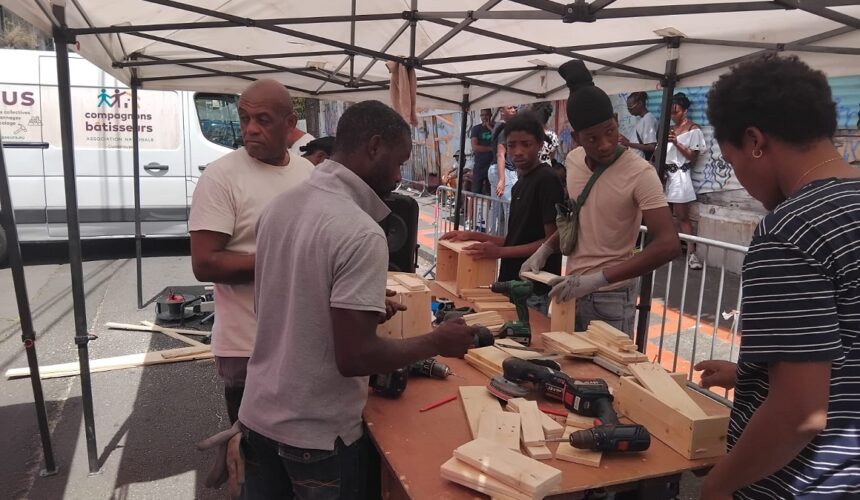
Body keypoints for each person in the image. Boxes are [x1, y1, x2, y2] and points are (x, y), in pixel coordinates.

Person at [239, 100, 478, 498]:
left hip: (258, 417)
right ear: (374, 146)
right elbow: (356, 358)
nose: (400, 178)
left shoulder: (279, 208)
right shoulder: (361, 232)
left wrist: (354, 308)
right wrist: (437, 342)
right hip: (316, 436)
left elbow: (277, 307)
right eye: (400, 163)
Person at [693, 54, 860, 500]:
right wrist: (751, 374)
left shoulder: (791, 232)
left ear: (754, 141)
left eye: (730, 162)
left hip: (803, 484)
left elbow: (800, 412)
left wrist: (718, 486)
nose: (740, 179)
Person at [520, 59, 680, 336]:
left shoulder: (640, 173)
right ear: (576, 137)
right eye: (592, 138)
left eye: (610, 131)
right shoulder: (573, 162)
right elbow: (577, 217)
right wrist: (544, 250)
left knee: (607, 376)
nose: (605, 144)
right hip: (570, 290)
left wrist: (598, 279)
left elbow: (668, 245)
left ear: (616, 122)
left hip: (612, 299)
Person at [188, 79, 315, 424]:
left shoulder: (306, 172)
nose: (250, 129)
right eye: (244, 119)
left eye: (263, 120)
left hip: (300, 342)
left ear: (290, 124)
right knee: (252, 458)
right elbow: (204, 263)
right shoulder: (221, 177)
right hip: (247, 347)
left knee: (297, 453)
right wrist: (283, 262)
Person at [440, 112, 566, 314]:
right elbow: (515, 238)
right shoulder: (519, 184)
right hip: (510, 282)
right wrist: (473, 235)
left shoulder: (547, 179)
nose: (517, 152)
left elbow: (552, 241)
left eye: (526, 144)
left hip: (532, 288)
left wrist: (499, 252)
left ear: (540, 144)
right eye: (512, 145)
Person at [665, 92, 706, 270]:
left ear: (685, 111)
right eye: (671, 112)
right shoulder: (669, 129)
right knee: (666, 217)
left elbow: (693, 157)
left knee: (683, 217)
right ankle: (670, 249)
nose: (673, 115)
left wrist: (677, 143)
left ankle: (692, 254)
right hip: (668, 177)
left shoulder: (693, 130)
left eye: (676, 111)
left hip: (681, 177)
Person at [488, 105, 518, 233]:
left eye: (515, 108)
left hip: (496, 169)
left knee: (497, 211)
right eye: (510, 107)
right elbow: (501, 153)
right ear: (502, 111)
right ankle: (508, 241)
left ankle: (495, 240)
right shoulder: (504, 129)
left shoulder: (497, 127)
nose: (514, 110)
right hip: (504, 170)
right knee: (509, 210)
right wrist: (502, 179)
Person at [620, 91, 658, 162]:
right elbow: (638, 142)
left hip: (643, 162)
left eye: (631, 107)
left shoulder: (648, 119)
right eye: (628, 108)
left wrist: (628, 143)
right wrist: (625, 140)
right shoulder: (641, 120)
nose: (629, 110)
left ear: (640, 103)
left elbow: (651, 147)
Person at [470, 109, 495, 195]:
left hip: (492, 165)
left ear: (491, 115)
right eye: (482, 115)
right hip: (480, 165)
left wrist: (489, 128)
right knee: (476, 192)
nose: (484, 117)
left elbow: (500, 139)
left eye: (486, 115)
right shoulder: (476, 129)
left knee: (491, 192)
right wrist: (491, 149)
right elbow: (475, 147)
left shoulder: (496, 127)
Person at [532, 102, 560, 168]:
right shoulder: (553, 136)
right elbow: (551, 158)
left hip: (531, 173)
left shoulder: (530, 136)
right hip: (546, 172)